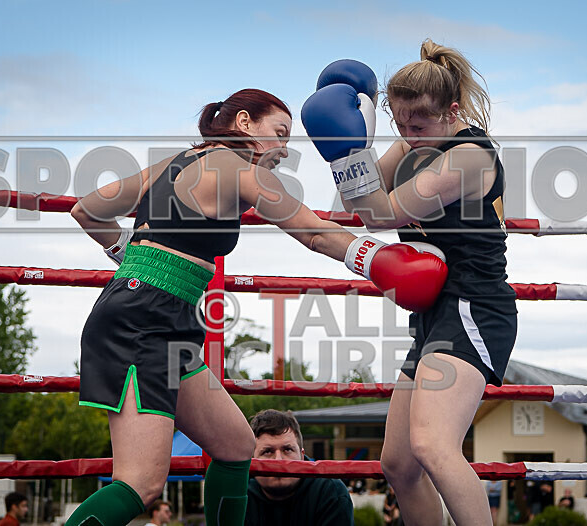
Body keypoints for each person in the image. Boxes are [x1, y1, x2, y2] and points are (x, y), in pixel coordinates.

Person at [67, 88, 445, 526]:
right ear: (244, 123)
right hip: (142, 323)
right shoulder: (234, 165)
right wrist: (378, 259)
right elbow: (313, 232)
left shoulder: (174, 163)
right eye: (280, 133)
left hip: (159, 318)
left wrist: (128, 253)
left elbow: (88, 210)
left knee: (234, 446)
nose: (284, 149)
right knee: (141, 483)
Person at [303, 40, 517, 526]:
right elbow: (348, 206)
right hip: (432, 314)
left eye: (416, 125)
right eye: (397, 124)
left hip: (473, 307)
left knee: (434, 446)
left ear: (452, 111)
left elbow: (379, 215)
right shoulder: (412, 138)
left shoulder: (468, 157)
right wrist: (356, 145)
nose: (407, 134)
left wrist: (354, 156)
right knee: (399, 464)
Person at [244, 409, 353, 526]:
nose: (279, 460)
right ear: (253, 458)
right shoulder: (240, 492)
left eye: (287, 450)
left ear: (302, 456)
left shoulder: (330, 491)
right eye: (267, 451)